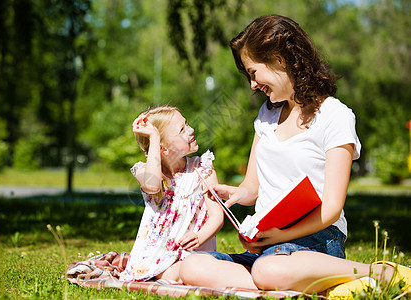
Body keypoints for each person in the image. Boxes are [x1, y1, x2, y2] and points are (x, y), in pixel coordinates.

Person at [179, 14, 410, 297]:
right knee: (192, 266)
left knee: (267, 271)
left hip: (317, 241)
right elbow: (253, 186)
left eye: (253, 73)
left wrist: (281, 236)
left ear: (279, 59)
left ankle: (378, 272)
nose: (252, 84)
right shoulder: (266, 116)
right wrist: (236, 195)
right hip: (269, 247)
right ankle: (319, 284)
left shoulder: (334, 116)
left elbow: (332, 207)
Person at [119, 105, 223, 283]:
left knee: (194, 268)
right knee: (173, 274)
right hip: (157, 256)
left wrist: (200, 236)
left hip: (195, 251)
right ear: (163, 149)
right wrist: (153, 138)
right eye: (182, 129)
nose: (191, 130)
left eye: (187, 124)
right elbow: (152, 186)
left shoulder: (203, 168)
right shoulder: (145, 171)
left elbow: (217, 215)